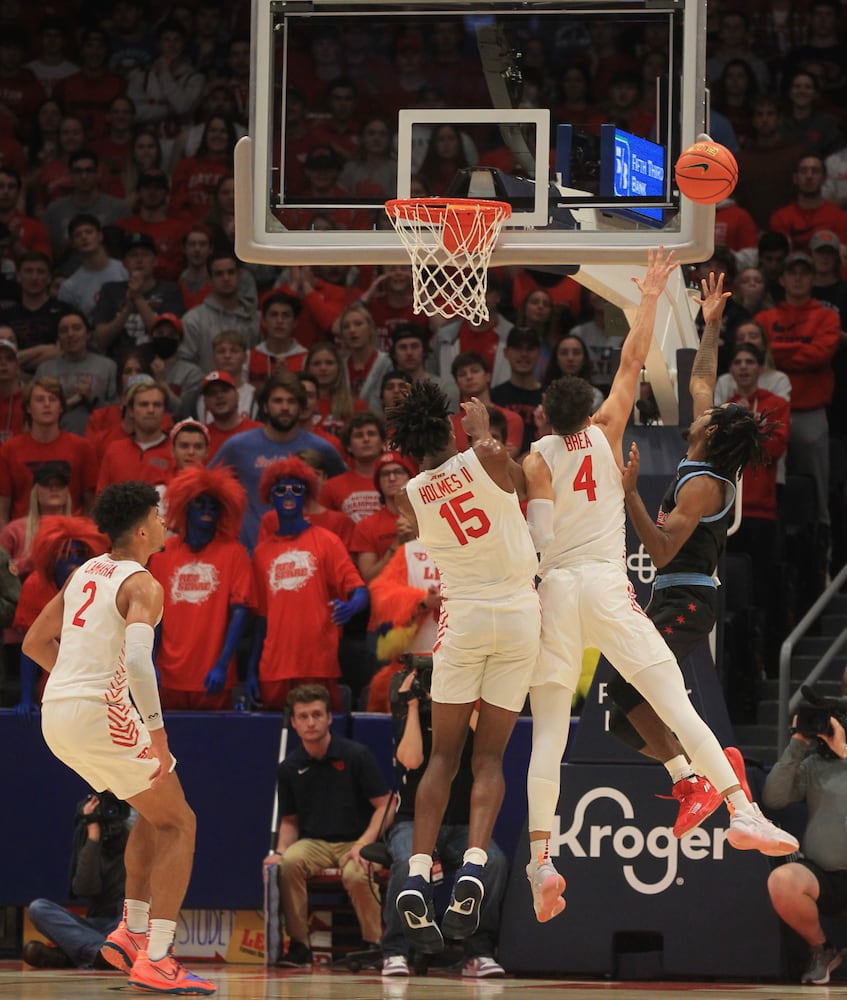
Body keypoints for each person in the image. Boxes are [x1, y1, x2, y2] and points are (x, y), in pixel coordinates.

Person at [523, 251, 798, 926]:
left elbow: (553, 539)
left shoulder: (541, 458)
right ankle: (733, 805)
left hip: (601, 591)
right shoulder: (618, 429)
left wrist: (616, 499)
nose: (699, 412)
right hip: (613, 588)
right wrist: (676, 311)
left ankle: (542, 863)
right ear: (585, 412)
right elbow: (650, 368)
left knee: (555, 736)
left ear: (543, 417)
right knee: (651, 707)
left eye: (706, 416)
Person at [21, 481, 216, 994]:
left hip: (54, 713)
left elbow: (34, 641)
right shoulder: (144, 584)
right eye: (160, 515)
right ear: (142, 527)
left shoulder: (85, 571)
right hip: (97, 711)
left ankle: (130, 930)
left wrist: (72, 685)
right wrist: (157, 732)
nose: (167, 523)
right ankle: (158, 955)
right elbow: (134, 662)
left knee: (154, 810)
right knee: (181, 823)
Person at [386, 384, 540, 954]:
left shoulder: (408, 496)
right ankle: (474, 865)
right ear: (452, 428)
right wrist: (480, 433)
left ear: (406, 443)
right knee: (490, 758)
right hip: (520, 614)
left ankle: (419, 870)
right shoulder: (490, 457)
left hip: (466, 618)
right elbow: (518, 479)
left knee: (443, 757)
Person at [381, 663, 507, 979]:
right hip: (413, 821)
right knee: (408, 863)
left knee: (493, 861)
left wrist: (457, 702)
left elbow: (488, 745)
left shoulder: (469, 717)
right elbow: (411, 760)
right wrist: (413, 705)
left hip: (463, 824)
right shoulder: (415, 719)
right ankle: (395, 951)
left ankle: (478, 952)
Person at [262, 683, 391, 968]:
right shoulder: (289, 767)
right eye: (304, 716)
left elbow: (387, 805)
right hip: (315, 842)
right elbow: (290, 821)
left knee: (359, 873)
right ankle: (299, 946)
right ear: (294, 722)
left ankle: (374, 946)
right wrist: (281, 851)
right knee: (287, 864)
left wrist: (364, 844)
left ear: (329, 717)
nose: (311, 722)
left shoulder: (356, 756)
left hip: (356, 840)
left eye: (317, 714)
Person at [247, 456, 368, 711]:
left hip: (317, 663)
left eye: (296, 488)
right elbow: (261, 618)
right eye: (281, 489)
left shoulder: (328, 541)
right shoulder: (261, 553)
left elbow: (360, 591)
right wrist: (250, 671)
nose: (288, 494)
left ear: (307, 494)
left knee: (320, 739)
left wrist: (351, 607)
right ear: (271, 496)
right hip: (274, 667)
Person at [148, 465, 253, 710]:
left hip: (213, 679)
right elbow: (152, 618)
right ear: (184, 507)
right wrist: (149, 663)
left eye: (213, 504)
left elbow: (240, 613)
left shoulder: (235, 553)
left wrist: (222, 665)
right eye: (199, 502)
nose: (207, 509)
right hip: (167, 678)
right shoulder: (162, 554)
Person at [209, 371, 347, 551]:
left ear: (301, 407)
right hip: (251, 552)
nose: (285, 407)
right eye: (278, 401)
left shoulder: (322, 448)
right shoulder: (238, 446)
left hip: (306, 553)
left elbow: (345, 489)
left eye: (291, 401)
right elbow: (205, 487)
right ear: (265, 406)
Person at [762, 705, 847, 985]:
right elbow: (774, 798)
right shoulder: (815, 765)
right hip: (825, 876)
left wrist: (845, 751)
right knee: (783, 880)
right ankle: (822, 950)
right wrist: (799, 742)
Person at [22, 791, 130, 970]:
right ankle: (102, 952)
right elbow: (85, 888)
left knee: (148, 919)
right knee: (38, 908)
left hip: (125, 924)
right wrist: (93, 834)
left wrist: (131, 831)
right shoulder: (89, 834)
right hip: (95, 924)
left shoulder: (136, 835)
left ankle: (68, 957)